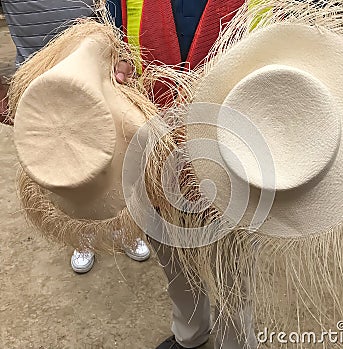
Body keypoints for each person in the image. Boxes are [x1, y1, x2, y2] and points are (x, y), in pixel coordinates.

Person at [112, 1, 256, 348]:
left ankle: (238, 342)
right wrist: (114, 72)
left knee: (232, 270)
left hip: (230, 170)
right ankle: (190, 335)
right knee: (175, 264)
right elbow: (114, 51)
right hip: (155, 167)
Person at [2, 0, 150, 274]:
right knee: (61, 165)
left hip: (93, 74)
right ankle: (82, 237)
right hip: (37, 82)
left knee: (112, 151)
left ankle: (126, 227)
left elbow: (115, 10)